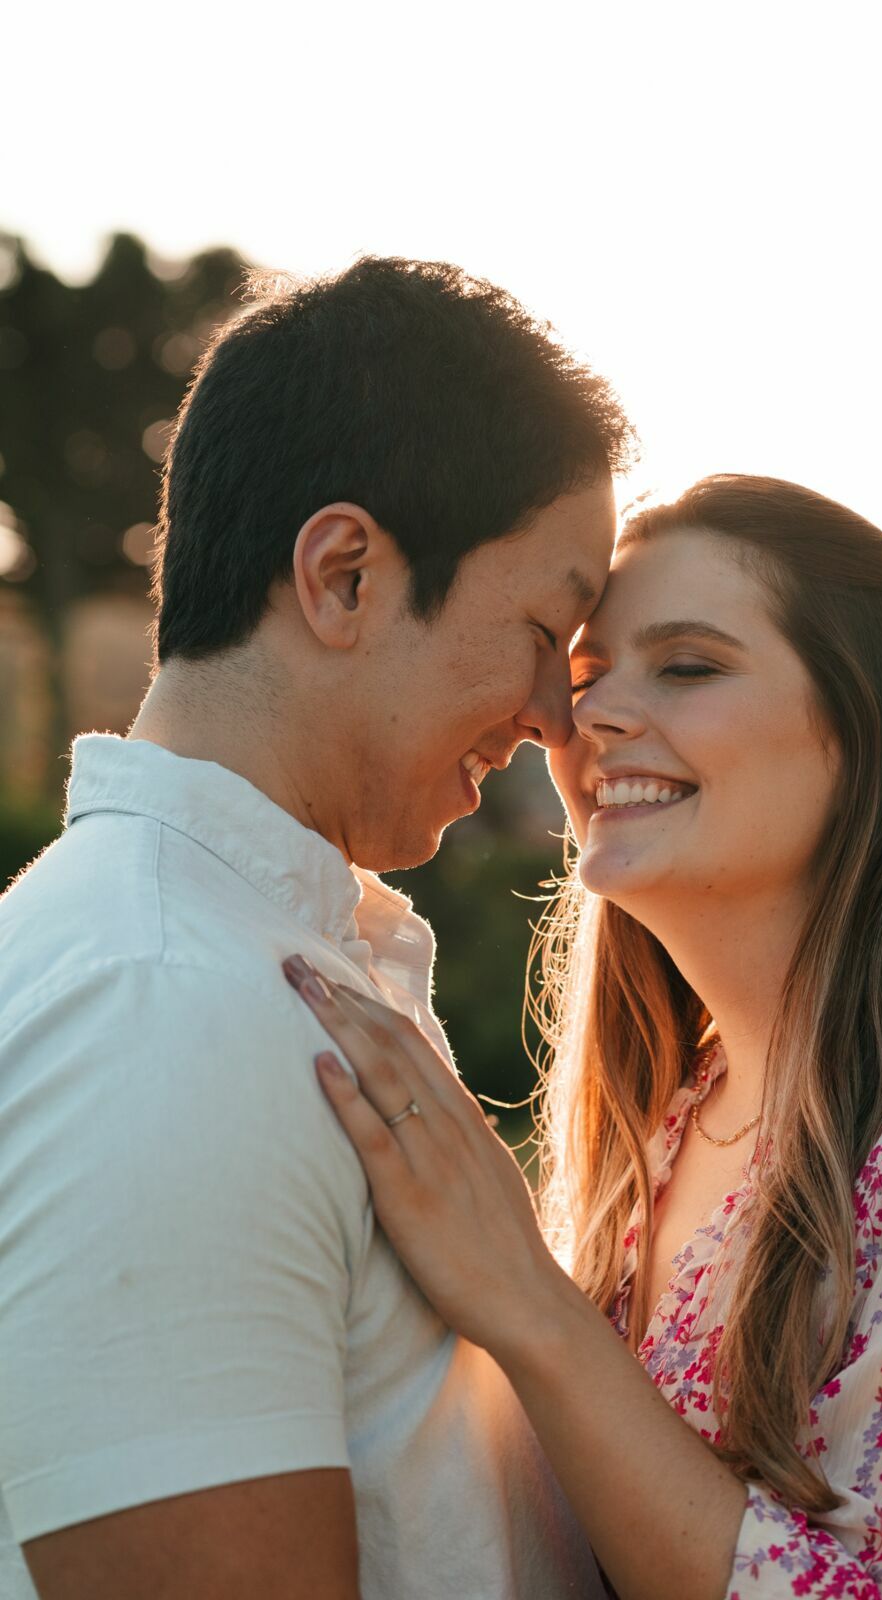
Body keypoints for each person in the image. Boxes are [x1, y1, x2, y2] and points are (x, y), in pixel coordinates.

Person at [288, 474, 882, 1599]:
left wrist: (526, 1297)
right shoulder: (670, 1118)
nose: (583, 719)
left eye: (690, 665)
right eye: (587, 674)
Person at [0, 256, 633, 1600]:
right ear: (344, 575)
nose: (553, 717)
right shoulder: (155, 1005)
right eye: (539, 630)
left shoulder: (254, 961)